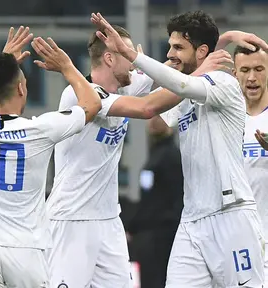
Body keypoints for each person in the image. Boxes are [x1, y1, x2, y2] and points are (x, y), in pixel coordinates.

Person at [45, 15, 249, 288]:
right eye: (127, 54)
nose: (134, 63)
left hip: (109, 221)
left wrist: (214, 46)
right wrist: (201, 72)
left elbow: (170, 69)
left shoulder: (126, 83)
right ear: (109, 59)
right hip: (71, 218)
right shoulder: (80, 95)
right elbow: (147, 108)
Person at [91, 11, 268, 287]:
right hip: (192, 223)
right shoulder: (182, 93)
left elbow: (183, 83)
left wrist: (130, 53)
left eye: (178, 48)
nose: (170, 54)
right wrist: (227, 38)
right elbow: (153, 102)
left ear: (202, 52)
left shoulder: (224, 84)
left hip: (230, 216)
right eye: (170, 46)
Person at [0, 26, 102, 287]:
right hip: (25, 250)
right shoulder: (40, 130)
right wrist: (67, 67)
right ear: (21, 89)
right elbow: (93, 104)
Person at [127, 116, 183, 288]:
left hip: (163, 234)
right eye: (153, 117)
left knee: (158, 280)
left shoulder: (172, 156)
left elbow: (176, 197)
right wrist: (133, 226)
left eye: (162, 116)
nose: (155, 121)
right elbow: (148, 199)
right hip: (148, 233)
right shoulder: (154, 154)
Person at [233, 44, 268, 286]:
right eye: (244, 70)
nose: (252, 77)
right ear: (234, 74)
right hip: (237, 238)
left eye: (259, 69)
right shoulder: (226, 118)